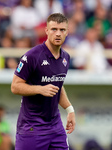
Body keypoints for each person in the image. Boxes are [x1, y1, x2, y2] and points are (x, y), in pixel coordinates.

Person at [11, 13, 76, 150]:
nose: (58, 34)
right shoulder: (32, 56)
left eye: (62, 30)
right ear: (46, 31)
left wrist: (70, 109)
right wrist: (40, 89)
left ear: (67, 32)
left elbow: (57, 84)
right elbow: (15, 86)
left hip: (55, 126)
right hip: (32, 128)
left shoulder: (65, 57)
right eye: (54, 29)